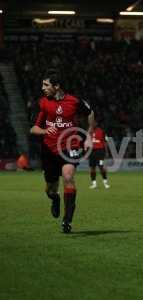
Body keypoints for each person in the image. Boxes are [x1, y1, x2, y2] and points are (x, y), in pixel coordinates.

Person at [30, 70, 95, 233]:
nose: (42, 88)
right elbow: (34, 128)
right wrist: (45, 131)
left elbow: (90, 113)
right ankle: (55, 198)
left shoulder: (74, 101)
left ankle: (67, 221)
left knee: (68, 177)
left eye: (46, 85)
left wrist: (89, 135)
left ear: (56, 86)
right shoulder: (44, 103)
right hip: (49, 149)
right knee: (50, 189)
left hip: (69, 146)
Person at [89, 121, 110, 189]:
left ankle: (105, 182)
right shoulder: (89, 131)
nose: (92, 124)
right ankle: (94, 184)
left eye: (94, 123)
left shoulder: (102, 131)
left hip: (100, 152)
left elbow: (105, 142)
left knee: (101, 167)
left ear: (96, 123)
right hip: (92, 152)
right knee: (92, 168)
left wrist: (106, 152)